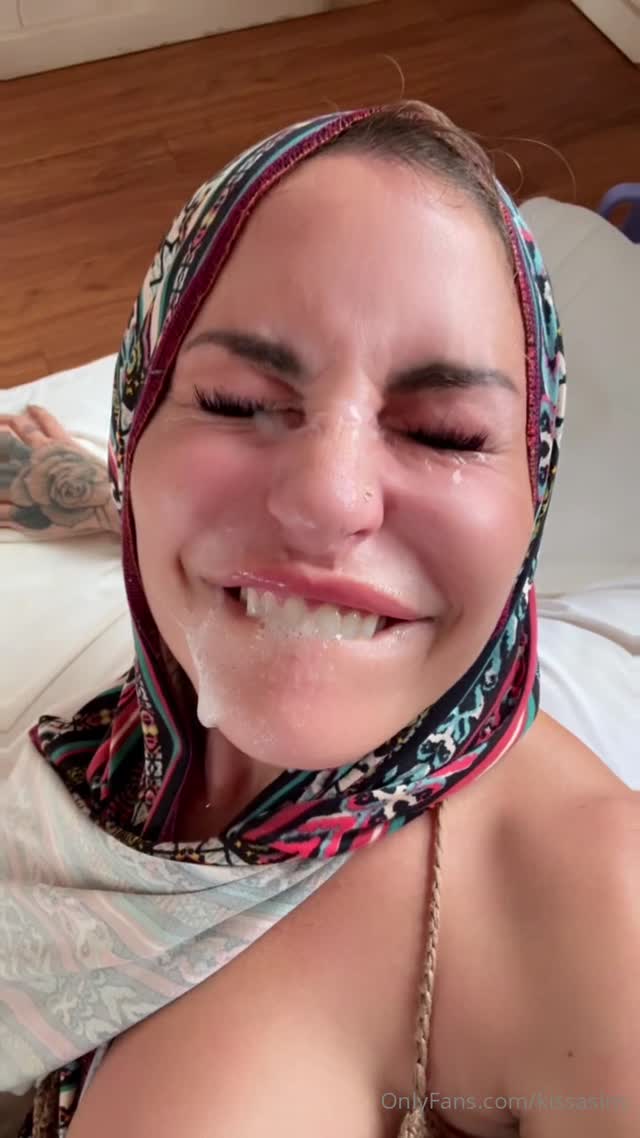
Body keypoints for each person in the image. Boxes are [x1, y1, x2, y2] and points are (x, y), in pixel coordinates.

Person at [0, 102, 637, 1138]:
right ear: (135, 436)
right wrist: (76, 488)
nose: (326, 501)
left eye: (444, 433)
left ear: (535, 493)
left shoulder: (599, 910)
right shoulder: (137, 731)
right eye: (234, 403)